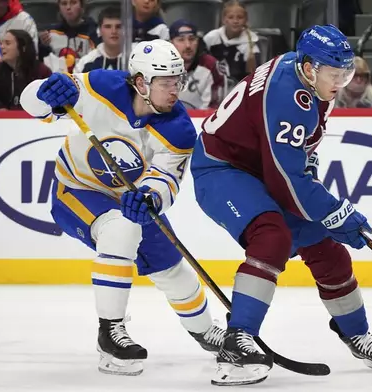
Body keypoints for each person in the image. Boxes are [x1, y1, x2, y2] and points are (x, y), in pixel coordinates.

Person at [190, 24, 372, 386]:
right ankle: (237, 341)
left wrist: (327, 215)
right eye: (335, 74)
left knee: (325, 245)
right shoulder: (288, 95)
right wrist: (336, 211)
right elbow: (285, 179)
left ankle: (356, 334)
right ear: (309, 68)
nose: (341, 81)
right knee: (271, 236)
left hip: (260, 166)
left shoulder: (315, 79)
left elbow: (296, 159)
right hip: (221, 169)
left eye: (346, 73)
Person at [19, 39, 225, 376]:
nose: (176, 90)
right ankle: (109, 333)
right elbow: (33, 104)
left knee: (173, 270)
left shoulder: (180, 129)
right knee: (120, 227)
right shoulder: (100, 86)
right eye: (167, 82)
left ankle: (206, 332)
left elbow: (166, 179)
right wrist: (44, 91)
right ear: (141, 82)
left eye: (179, 81)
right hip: (75, 190)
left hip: (126, 198)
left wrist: (151, 196)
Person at [0, 29, 51, 110]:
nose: (2, 47)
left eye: (7, 43)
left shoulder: (42, 71)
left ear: (23, 48)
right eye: (2, 43)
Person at [169, 19, 225, 109]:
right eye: (181, 40)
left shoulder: (211, 66)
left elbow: (213, 109)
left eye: (192, 39)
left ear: (198, 41)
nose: (188, 45)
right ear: (171, 43)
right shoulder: (160, 67)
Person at [39, 0, 99, 73]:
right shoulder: (50, 33)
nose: (68, 7)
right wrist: (43, 46)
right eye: (64, 4)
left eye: (73, 3)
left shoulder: (93, 33)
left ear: (82, 6)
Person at [74, 7, 125, 72]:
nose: (114, 31)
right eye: (108, 27)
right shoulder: (86, 62)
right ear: (99, 31)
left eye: (118, 27)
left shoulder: (136, 58)